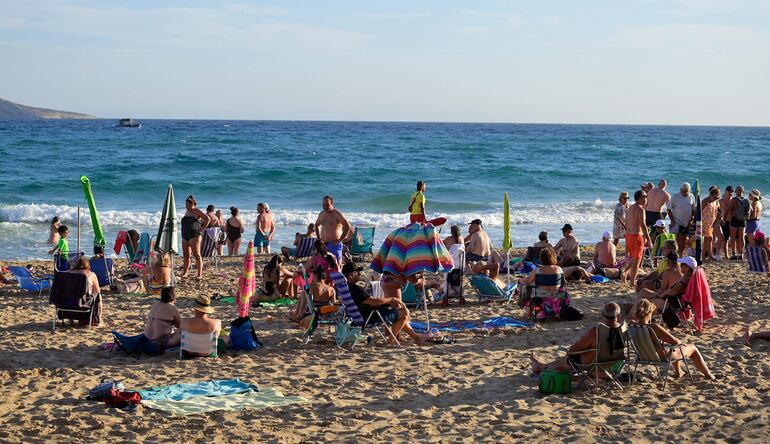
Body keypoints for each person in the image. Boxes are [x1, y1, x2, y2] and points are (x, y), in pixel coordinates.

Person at [344, 262, 433, 345]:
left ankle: (401, 336)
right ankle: (393, 339)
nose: (359, 274)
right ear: (351, 274)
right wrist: (392, 299)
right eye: (358, 273)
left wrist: (387, 303)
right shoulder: (356, 289)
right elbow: (375, 302)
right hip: (370, 316)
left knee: (397, 310)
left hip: (361, 315)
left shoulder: (346, 288)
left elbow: (372, 302)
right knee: (404, 312)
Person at [530, 302, 624, 376]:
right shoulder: (623, 329)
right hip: (613, 362)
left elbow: (573, 350)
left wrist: (579, 347)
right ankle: (541, 366)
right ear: (618, 316)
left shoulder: (597, 331)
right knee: (572, 357)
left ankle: (542, 367)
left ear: (603, 315)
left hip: (593, 364)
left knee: (570, 357)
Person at [633, 299, 716, 380]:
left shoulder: (632, 326)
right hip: (662, 356)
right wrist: (681, 342)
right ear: (650, 312)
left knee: (674, 348)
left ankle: (679, 372)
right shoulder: (654, 327)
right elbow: (675, 341)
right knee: (692, 348)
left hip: (642, 355)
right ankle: (709, 375)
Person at [180, 195, 212, 279]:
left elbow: (208, 219)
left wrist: (202, 229)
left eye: (187, 204)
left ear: (192, 204)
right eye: (185, 204)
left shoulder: (197, 211)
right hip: (185, 235)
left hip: (194, 235)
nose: (186, 206)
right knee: (186, 255)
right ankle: (185, 272)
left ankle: (199, 274)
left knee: (197, 255)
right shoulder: (187, 211)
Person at [625, 190, 653, 287]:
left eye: (646, 197)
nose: (646, 199)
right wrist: (649, 240)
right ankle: (632, 282)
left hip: (629, 235)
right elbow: (643, 225)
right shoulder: (641, 210)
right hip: (636, 237)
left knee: (634, 258)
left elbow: (628, 222)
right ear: (639, 198)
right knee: (637, 259)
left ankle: (624, 272)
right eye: (644, 197)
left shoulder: (630, 208)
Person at [315, 196, 351, 265]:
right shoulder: (321, 214)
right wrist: (318, 238)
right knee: (324, 264)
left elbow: (347, 227)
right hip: (324, 245)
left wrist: (340, 240)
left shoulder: (337, 214)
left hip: (334, 244)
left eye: (327, 205)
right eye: (323, 205)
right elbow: (316, 225)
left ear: (332, 204)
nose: (325, 207)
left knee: (337, 265)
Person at [69, 257, 102, 325]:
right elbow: (97, 291)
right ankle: (98, 320)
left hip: (67, 302)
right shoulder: (91, 274)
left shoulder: (68, 273)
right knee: (99, 296)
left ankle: (71, 321)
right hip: (84, 302)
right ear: (88, 265)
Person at [668, 182, 696, 256]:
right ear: (680, 190)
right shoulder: (675, 196)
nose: (685, 193)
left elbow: (693, 209)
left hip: (687, 222)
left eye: (686, 191)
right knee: (677, 239)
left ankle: (681, 254)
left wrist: (691, 219)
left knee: (684, 239)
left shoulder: (691, 196)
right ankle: (677, 254)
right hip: (677, 221)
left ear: (689, 190)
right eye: (684, 191)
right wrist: (672, 220)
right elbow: (668, 209)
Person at [728, 185, 750, 260]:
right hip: (743, 220)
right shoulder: (746, 200)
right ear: (743, 191)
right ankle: (741, 254)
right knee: (742, 237)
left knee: (733, 237)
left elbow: (729, 208)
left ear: (736, 191)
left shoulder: (734, 199)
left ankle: (733, 254)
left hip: (735, 219)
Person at [701, 187, 721, 261]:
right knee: (708, 238)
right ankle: (705, 256)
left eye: (717, 197)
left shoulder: (716, 202)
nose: (715, 199)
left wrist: (718, 220)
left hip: (711, 223)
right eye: (715, 197)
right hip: (704, 222)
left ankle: (708, 256)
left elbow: (717, 212)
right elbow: (699, 211)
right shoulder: (705, 201)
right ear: (712, 194)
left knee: (709, 239)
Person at [717, 185, 734, 260]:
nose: (731, 193)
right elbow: (716, 211)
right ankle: (724, 255)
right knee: (724, 239)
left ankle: (730, 255)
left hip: (731, 222)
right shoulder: (721, 201)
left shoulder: (733, 200)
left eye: (732, 192)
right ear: (726, 191)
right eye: (729, 191)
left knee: (730, 239)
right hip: (723, 222)